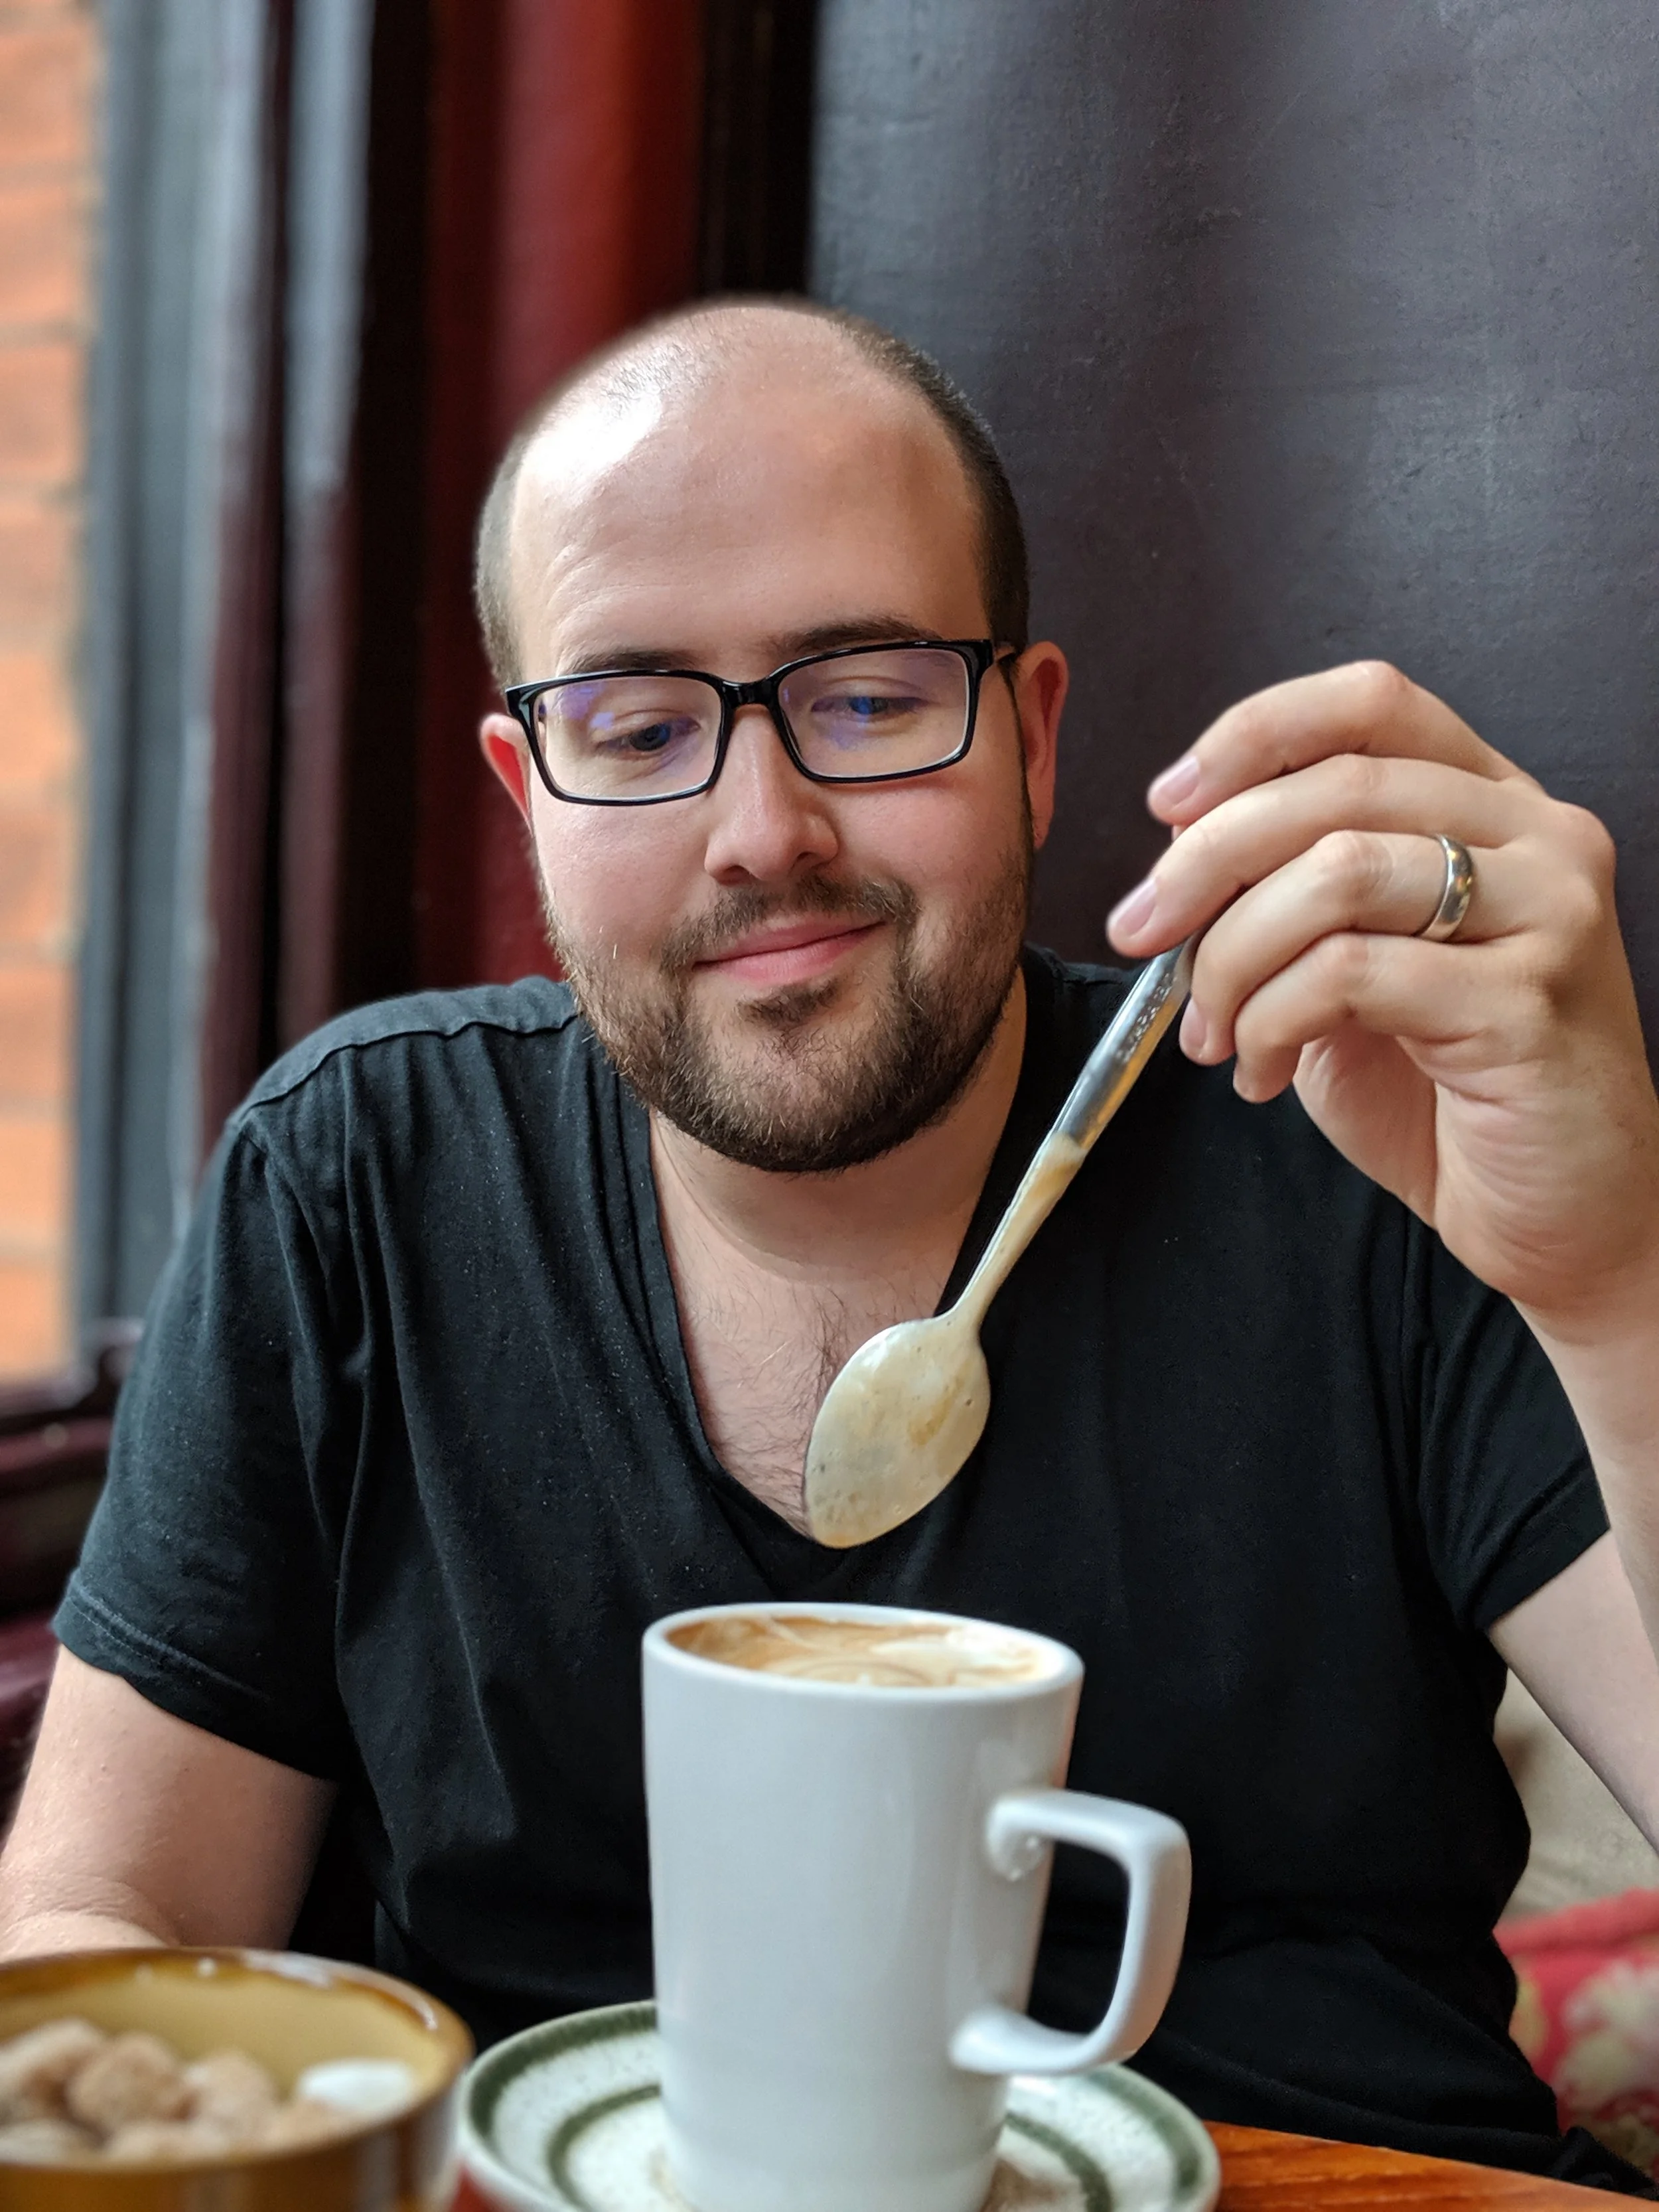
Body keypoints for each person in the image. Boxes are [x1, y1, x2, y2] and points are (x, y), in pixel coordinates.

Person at [3, 299, 1658, 2189]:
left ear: (1030, 740)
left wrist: (1611, 1282)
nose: (761, 831)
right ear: (528, 796)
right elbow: (105, 1924)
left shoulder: (1370, 1142)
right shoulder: (356, 1187)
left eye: (866, 697)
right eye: (637, 728)